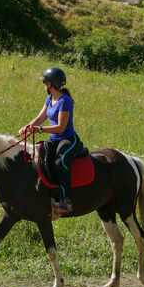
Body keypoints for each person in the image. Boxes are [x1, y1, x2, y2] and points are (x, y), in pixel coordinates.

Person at [21, 67, 85, 215]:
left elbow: (61, 127)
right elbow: (41, 117)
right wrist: (29, 126)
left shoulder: (65, 101)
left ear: (51, 84)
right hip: (54, 140)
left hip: (68, 140)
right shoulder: (50, 98)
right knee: (39, 157)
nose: (43, 85)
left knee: (60, 163)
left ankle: (65, 202)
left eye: (45, 82)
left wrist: (40, 130)